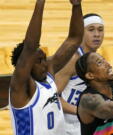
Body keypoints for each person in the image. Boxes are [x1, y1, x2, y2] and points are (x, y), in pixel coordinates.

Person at [9, 0, 83, 134]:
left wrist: (76, 6)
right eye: (39, 61)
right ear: (26, 64)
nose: (44, 64)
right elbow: (30, 46)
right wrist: (40, 3)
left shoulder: (48, 74)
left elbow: (74, 39)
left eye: (44, 58)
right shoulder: (21, 87)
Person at [55, 13, 104, 134]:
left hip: (82, 125)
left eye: (100, 30)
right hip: (63, 126)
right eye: (91, 30)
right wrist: (79, 111)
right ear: (81, 32)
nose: (97, 34)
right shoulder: (72, 60)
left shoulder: (99, 61)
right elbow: (52, 97)